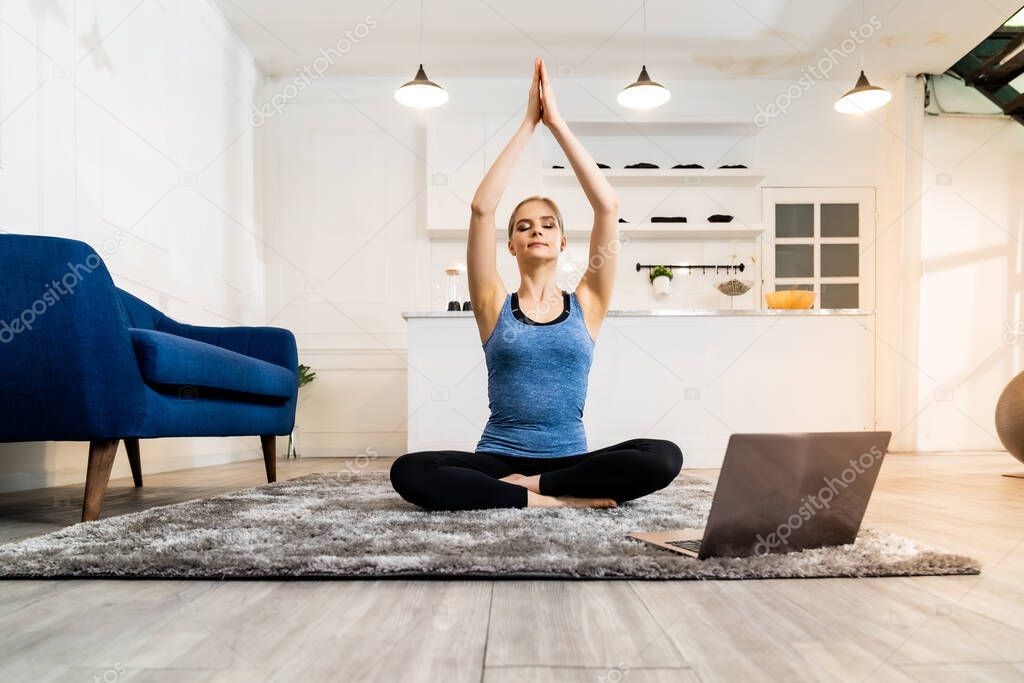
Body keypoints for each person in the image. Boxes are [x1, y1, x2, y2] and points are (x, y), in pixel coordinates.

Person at [390, 57, 683, 510]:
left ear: (563, 241)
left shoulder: (588, 301)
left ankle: (532, 489)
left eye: (547, 225)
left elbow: (607, 206)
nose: (536, 231)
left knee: (663, 456)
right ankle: (552, 501)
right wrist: (528, 123)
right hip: (497, 458)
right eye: (524, 227)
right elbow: (481, 209)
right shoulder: (492, 304)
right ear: (510, 245)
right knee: (408, 470)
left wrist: (557, 123)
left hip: (569, 462)